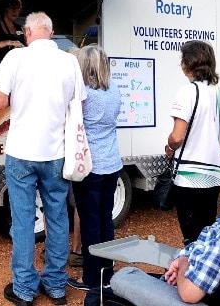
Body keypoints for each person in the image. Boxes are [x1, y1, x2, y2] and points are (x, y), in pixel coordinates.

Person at [0, 12, 87, 306]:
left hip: (21, 152)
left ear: (28, 32)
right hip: (56, 153)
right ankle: (56, 286)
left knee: (23, 219)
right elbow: (79, 101)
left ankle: (24, 289)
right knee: (57, 218)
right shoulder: (69, 61)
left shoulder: (16, 58)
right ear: (52, 31)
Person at [91, 159, 220, 306]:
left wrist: (182, 263)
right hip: (196, 280)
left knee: (107, 288)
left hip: (191, 294)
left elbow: (189, 294)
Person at [166, 40, 220, 245]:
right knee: (206, 236)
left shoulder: (187, 91)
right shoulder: (219, 93)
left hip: (189, 177)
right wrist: (210, 143)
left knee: (191, 239)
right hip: (213, 175)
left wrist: (169, 147)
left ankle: (189, 274)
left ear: (188, 64)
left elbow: (177, 137)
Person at [66, 45, 123, 292]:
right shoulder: (115, 91)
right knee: (105, 220)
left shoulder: (84, 95)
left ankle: (91, 279)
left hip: (89, 166)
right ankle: (107, 273)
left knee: (89, 223)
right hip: (112, 163)